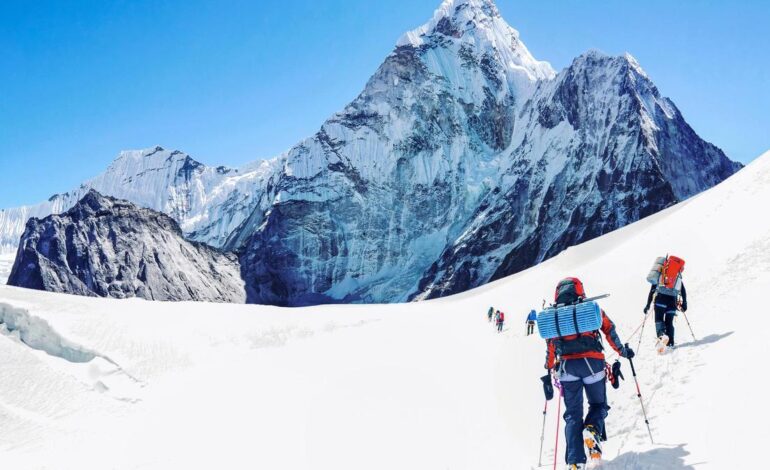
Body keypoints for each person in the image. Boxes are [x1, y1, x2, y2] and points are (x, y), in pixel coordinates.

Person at [543, 277, 634, 468]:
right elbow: (609, 330)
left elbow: (551, 345)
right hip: (593, 365)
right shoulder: (590, 309)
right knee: (599, 405)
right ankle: (592, 429)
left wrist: (549, 367)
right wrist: (622, 351)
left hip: (567, 369)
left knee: (573, 415)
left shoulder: (554, 317)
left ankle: (575, 463)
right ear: (579, 291)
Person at [644, 279, 687, 348]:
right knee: (669, 322)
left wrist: (648, 305)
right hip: (672, 302)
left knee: (659, 320)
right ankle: (670, 343)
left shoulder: (660, 274)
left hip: (660, 300)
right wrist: (684, 303)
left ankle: (662, 336)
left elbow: (652, 290)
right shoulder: (676, 275)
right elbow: (683, 290)